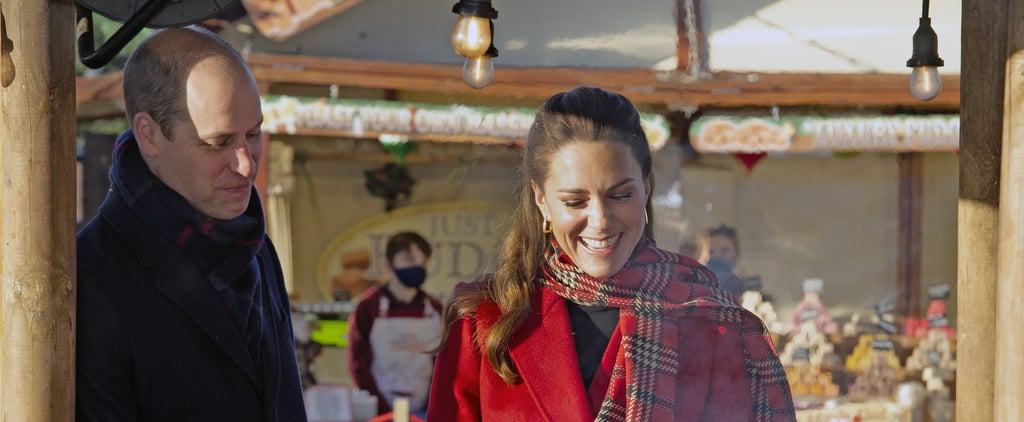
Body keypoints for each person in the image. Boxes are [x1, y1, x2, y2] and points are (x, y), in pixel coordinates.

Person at [427, 87, 795, 421]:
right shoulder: (486, 322)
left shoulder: (712, 324)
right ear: (542, 200)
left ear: (646, 189)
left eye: (620, 195)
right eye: (575, 201)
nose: (600, 221)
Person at [76, 27, 306, 421]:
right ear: (149, 136)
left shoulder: (257, 247)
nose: (247, 164)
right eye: (217, 143)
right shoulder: (91, 276)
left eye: (253, 134)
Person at [348, 231, 443, 417]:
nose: (417, 266)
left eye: (422, 261)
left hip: (424, 410)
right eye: (408, 259)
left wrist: (430, 405)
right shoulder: (368, 307)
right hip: (379, 411)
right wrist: (383, 411)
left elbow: (442, 362)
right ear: (388, 264)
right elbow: (358, 362)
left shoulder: (436, 309)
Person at [704, 223, 745, 299]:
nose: (717, 258)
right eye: (712, 252)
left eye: (724, 251)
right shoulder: (700, 291)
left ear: (736, 254)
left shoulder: (745, 292)